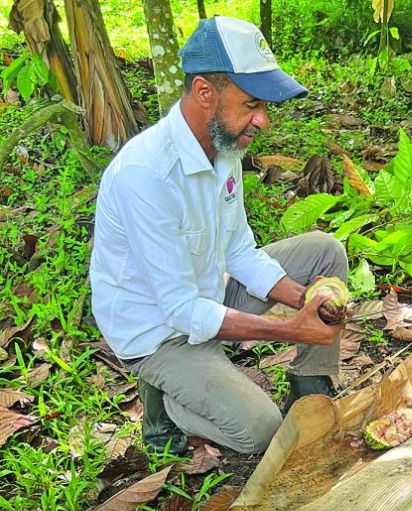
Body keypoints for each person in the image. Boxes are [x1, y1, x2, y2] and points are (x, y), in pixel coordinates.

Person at [89, 16, 347, 456]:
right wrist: (291, 332)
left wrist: (307, 303)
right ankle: (166, 406)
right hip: (160, 332)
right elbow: (181, 311)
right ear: (205, 93)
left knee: (324, 252)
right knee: (262, 433)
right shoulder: (145, 175)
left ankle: (309, 396)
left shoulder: (224, 148)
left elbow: (239, 252)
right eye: (251, 105)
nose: (263, 120)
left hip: (208, 293)